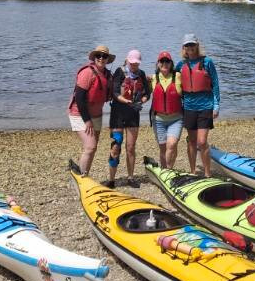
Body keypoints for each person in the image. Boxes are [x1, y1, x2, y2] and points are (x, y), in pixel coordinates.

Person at [174, 34, 219, 177]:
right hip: (189, 107)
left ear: (197, 46)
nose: (190, 48)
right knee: (192, 141)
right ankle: (193, 171)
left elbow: (215, 84)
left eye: (192, 45)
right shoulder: (181, 65)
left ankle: (207, 173)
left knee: (202, 141)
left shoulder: (207, 62)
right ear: (184, 48)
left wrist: (216, 105)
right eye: (187, 45)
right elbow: (167, 75)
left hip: (205, 106)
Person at [105, 50, 151, 188]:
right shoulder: (120, 72)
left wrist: (141, 102)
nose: (134, 65)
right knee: (116, 145)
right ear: (127, 61)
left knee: (130, 147)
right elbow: (115, 92)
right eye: (132, 63)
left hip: (133, 114)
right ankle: (112, 179)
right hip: (118, 114)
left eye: (137, 63)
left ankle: (131, 177)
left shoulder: (141, 74)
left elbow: (147, 93)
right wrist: (126, 101)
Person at [68, 45, 114, 175]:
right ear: (94, 57)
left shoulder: (107, 75)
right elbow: (80, 98)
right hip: (79, 114)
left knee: (92, 148)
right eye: (98, 56)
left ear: (107, 59)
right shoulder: (87, 73)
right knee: (90, 146)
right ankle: (82, 177)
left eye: (104, 56)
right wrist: (87, 120)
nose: (101, 58)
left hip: (97, 115)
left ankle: (84, 173)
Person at [150, 50, 183, 168]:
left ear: (171, 63)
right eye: (162, 61)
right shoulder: (153, 78)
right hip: (158, 119)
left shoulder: (178, 76)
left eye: (167, 61)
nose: (165, 63)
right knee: (163, 148)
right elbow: (141, 91)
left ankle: (169, 170)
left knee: (172, 144)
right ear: (158, 63)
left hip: (176, 118)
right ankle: (164, 171)